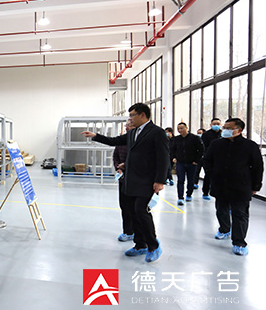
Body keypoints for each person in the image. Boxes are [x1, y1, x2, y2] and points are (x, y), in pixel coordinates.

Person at [82, 103, 169, 263]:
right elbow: (114, 141)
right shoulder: (133, 133)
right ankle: (140, 245)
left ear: (142, 115)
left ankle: (153, 245)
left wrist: (160, 180)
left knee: (141, 211)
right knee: (132, 211)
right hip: (131, 179)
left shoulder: (157, 132)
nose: (130, 119)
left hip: (146, 180)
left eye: (132, 115)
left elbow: (163, 157)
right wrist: (95, 136)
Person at [203, 118, 263, 256]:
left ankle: (239, 242)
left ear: (239, 130)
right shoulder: (216, 144)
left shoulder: (250, 146)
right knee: (221, 210)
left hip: (241, 185)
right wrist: (212, 174)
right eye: (224, 127)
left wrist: (256, 185)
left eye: (229, 128)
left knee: (240, 214)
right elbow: (207, 160)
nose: (225, 130)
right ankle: (224, 229)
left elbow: (258, 167)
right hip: (220, 184)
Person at [171, 122, 204, 205]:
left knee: (191, 180)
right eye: (178, 129)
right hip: (180, 163)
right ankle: (180, 197)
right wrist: (174, 157)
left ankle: (189, 194)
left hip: (191, 163)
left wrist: (196, 160)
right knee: (180, 180)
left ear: (186, 128)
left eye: (181, 128)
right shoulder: (176, 139)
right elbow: (172, 149)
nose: (180, 130)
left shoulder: (195, 138)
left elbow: (201, 149)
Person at [113, 119, 135, 242]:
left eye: (129, 126)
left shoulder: (140, 142)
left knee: (137, 207)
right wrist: (118, 168)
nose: (127, 128)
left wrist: (125, 165)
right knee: (125, 206)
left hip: (137, 179)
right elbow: (115, 156)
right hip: (123, 179)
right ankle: (128, 232)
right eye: (126, 126)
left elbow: (141, 159)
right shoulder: (122, 141)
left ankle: (140, 232)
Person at [200, 118, 222, 200]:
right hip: (209, 158)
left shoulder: (222, 134)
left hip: (220, 159)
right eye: (214, 124)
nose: (216, 125)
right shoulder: (206, 134)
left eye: (218, 124)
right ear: (211, 125)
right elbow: (203, 147)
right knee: (208, 175)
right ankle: (205, 192)